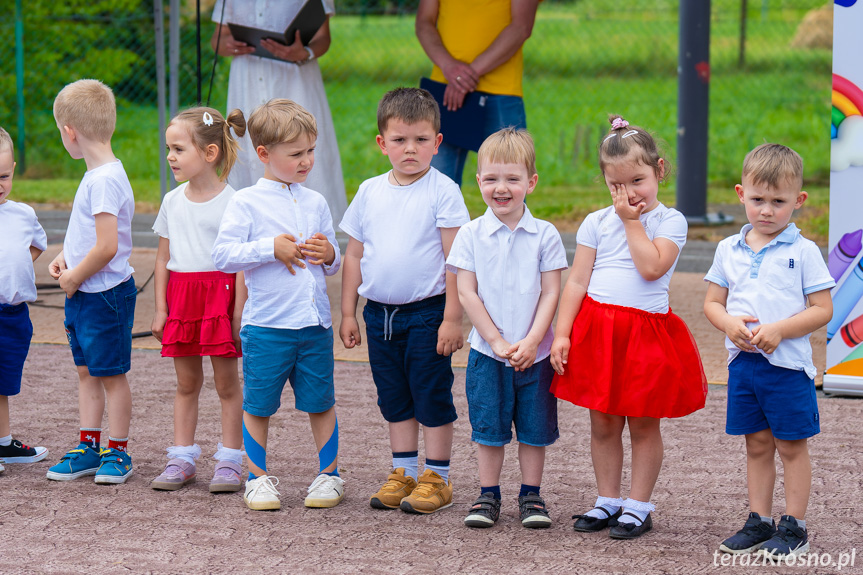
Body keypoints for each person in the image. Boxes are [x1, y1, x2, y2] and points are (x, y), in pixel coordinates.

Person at [550, 115, 707, 539]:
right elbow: (577, 281)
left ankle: (638, 505)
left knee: (642, 422)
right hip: (599, 330)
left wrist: (631, 221)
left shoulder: (670, 221)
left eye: (637, 180)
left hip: (645, 335)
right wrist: (562, 333)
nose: (627, 194)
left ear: (658, 171)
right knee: (602, 422)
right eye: (616, 185)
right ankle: (607, 500)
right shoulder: (595, 222)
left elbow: (652, 267)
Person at [340, 87, 469, 515]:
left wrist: (454, 318)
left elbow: (457, 260)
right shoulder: (369, 191)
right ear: (382, 144)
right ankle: (403, 473)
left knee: (430, 393)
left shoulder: (444, 191)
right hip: (379, 315)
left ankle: (438, 479)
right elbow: (354, 254)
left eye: (420, 140)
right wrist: (348, 312)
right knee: (393, 396)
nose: (410, 149)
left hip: (428, 312)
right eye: (399, 140)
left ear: (437, 141)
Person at [212, 98, 344, 511]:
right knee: (259, 405)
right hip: (267, 326)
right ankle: (257, 478)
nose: (307, 161)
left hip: (314, 326)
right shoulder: (246, 202)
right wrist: (271, 248)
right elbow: (223, 255)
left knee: (320, 402)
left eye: (310, 151)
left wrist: (329, 254)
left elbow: (333, 261)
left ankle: (329, 476)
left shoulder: (317, 201)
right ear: (264, 154)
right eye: (296, 154)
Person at [704, 144, 834, 559]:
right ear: (741, 194)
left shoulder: (804, 251)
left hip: (788, 369)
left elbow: (823, 310)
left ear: (798, 201)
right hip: (744, 366)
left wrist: (779, 329)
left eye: (779, 202)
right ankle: (759, 521)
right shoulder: (728, 249)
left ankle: (794, 526)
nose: (766, 210)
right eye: (758, 200)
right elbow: (712, 303)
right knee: (756, 445)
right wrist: (728, 324)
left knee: (791, 446)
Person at [446, 128, 566, 528]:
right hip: (486, 353)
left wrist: (533, 341)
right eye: (492, 178)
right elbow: (467, 293)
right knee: (489, 428)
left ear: (530, 183)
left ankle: (531, 495)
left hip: (537, 354)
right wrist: (496, 341)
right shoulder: (470, 234)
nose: (502, 188)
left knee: (534, 430)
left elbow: (552, 292)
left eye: (513, 179)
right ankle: (488, 495)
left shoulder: (545, 234)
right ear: (478, 181)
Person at [149, 107, 248, 493]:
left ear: (209, 154)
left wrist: (238, 311)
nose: (170, 156)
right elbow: (162, 258)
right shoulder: (172, 201)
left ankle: (229, 460)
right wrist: (160, 308)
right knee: (187, 382)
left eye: (178, 149)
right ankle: (182, 458)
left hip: (219, 298)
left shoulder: (235, 202)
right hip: (183, 299)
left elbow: (240, 264)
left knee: (226, 384)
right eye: (168, 148)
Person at [46, 79, 137, 485]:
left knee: (111, 375)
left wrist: (74, 277)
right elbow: (86, 239)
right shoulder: (96, 175)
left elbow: (106, 247)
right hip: (84, 292)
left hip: (104, 296)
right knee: (87, 372)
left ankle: (117, 451)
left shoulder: (102, 180)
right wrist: (66, 258)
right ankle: (89, 446)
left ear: (70, 132)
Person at [210, 0, 347, 225]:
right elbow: (218, 38)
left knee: (300, 141)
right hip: (248, 77)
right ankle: (249, 223)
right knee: (248, 146)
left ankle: (311, 227)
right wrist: (229, 44)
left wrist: (305, 52)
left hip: (294, 78)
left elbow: (323, 38)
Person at [415, 0, 539, 186]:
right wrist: (449, 67)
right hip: (446, 91)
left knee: (509, 187)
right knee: (433, 189)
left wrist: (463, 77)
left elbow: (521, 27)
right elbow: (424, 22)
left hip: (500, 92)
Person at [0, 126, 49, 474]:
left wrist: (13, 271)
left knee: (3, 383)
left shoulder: (22, 214)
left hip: (14, 314)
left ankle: (3, 444)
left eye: (3, 175)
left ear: (13, 169)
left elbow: (35, 245)